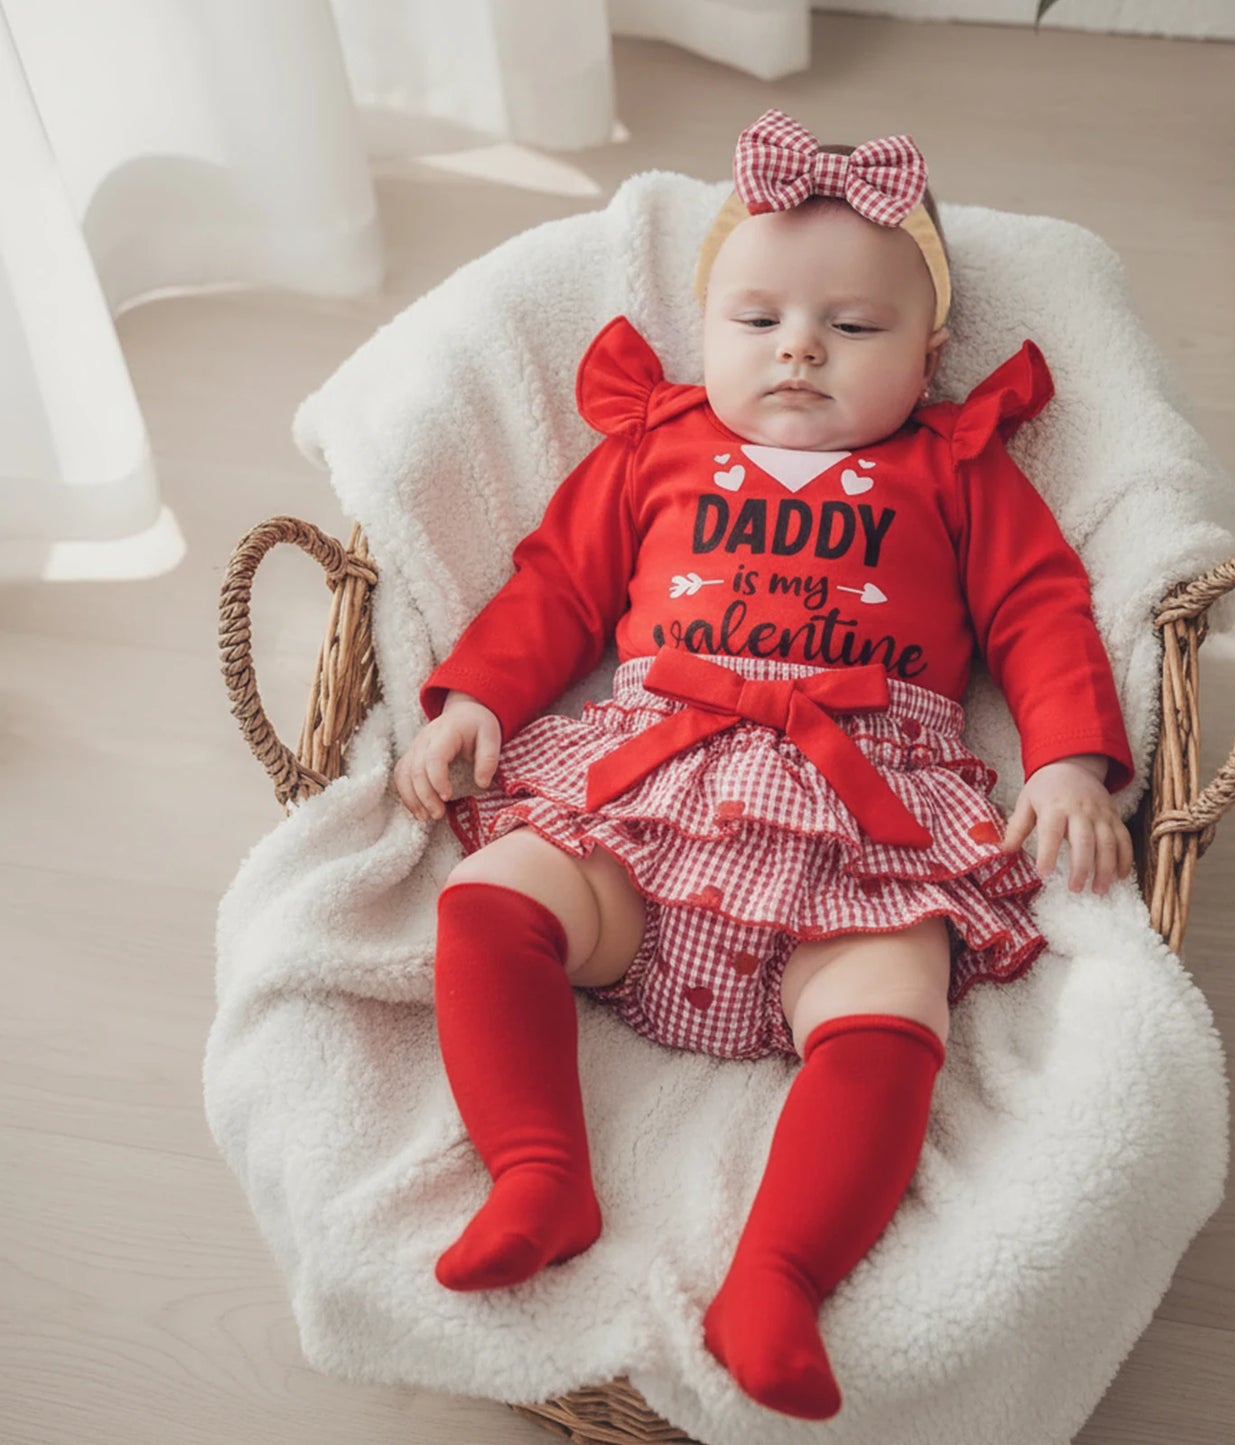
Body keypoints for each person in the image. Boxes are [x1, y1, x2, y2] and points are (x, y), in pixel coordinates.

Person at [394, 109, 1135, 1422]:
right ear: (705, 331)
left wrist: (1070, 757)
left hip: (857, 804)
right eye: (757, 321)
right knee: (491, 896)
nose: (799, 346)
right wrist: (472, 700)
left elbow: (1038, 610)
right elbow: (556, 587)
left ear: (928, 353)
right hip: (654, 780)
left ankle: (779, 1275)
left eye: (852, 328)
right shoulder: (655, 448)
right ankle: (535, 1167)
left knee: (892, 1009)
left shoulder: (951, 467)